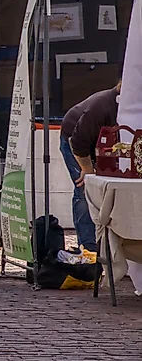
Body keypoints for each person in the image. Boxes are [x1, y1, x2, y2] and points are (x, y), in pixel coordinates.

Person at [61, 83, 120, 252]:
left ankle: (110, 245)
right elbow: (78, 142)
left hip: (101, 145)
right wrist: (87, 169)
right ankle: (88, 248)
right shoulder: (101, 106)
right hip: (75, 140)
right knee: (85, 189)